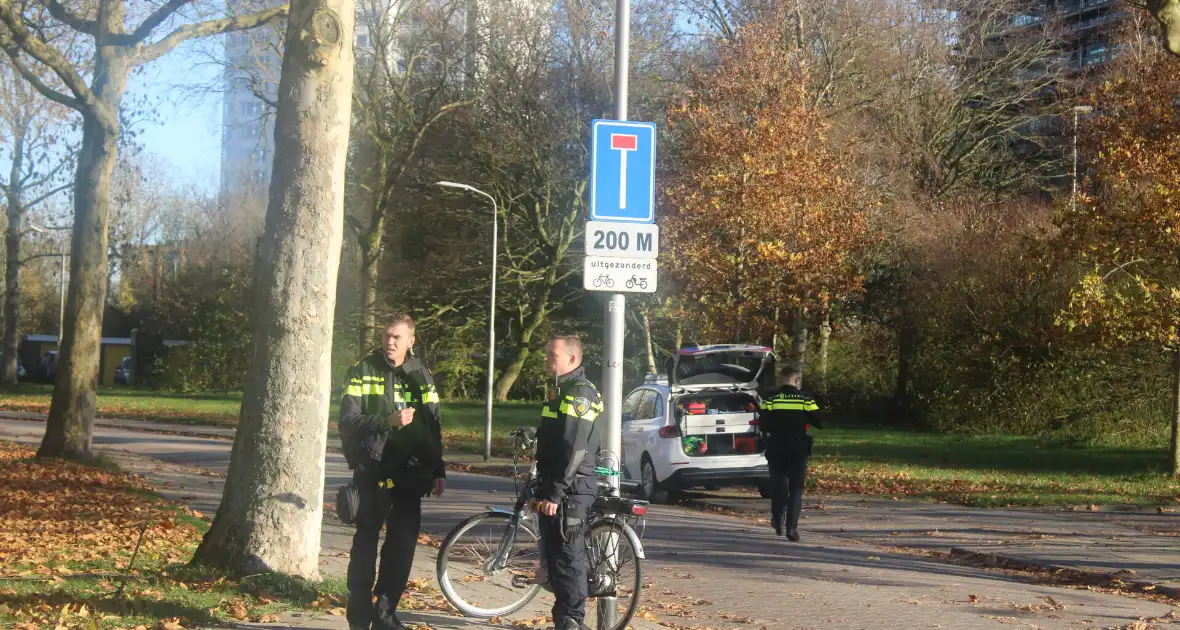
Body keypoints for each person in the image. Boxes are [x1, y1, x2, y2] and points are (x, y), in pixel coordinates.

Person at [339, 314, 445, 630]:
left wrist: (438, 468)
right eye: (387, 336)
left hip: (410, 475)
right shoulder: (363, 370)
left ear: (411, 341)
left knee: (402, 547)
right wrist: (388, 421)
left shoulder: (422, 375)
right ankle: (358, 614)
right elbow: (347, 421)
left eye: (397, 337)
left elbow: (433, 425)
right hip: (373, 471)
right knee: (365, 544)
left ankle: (386, 614)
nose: (390, 342)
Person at [532, 334, 603, 630]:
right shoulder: (560, 391)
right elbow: (552, 438)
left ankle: (573, 621)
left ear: (572, 359)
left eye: (553, 355)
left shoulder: (580, 394)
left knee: (568, 556)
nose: (547, 360)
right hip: (555, 484)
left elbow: (575, 450)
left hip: (573, 488)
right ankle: (563, 619)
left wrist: (557, 493)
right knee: (555, 555)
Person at [757, 366, 822, 542]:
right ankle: (791, 528)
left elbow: (763, 425)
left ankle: (777, 519)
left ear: (781, 380)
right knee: (795, 489)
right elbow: (819, 422)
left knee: (778, 486)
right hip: (798, 447)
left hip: (776, 447)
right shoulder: (805, 399)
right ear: (796, 380)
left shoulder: (770, 399)